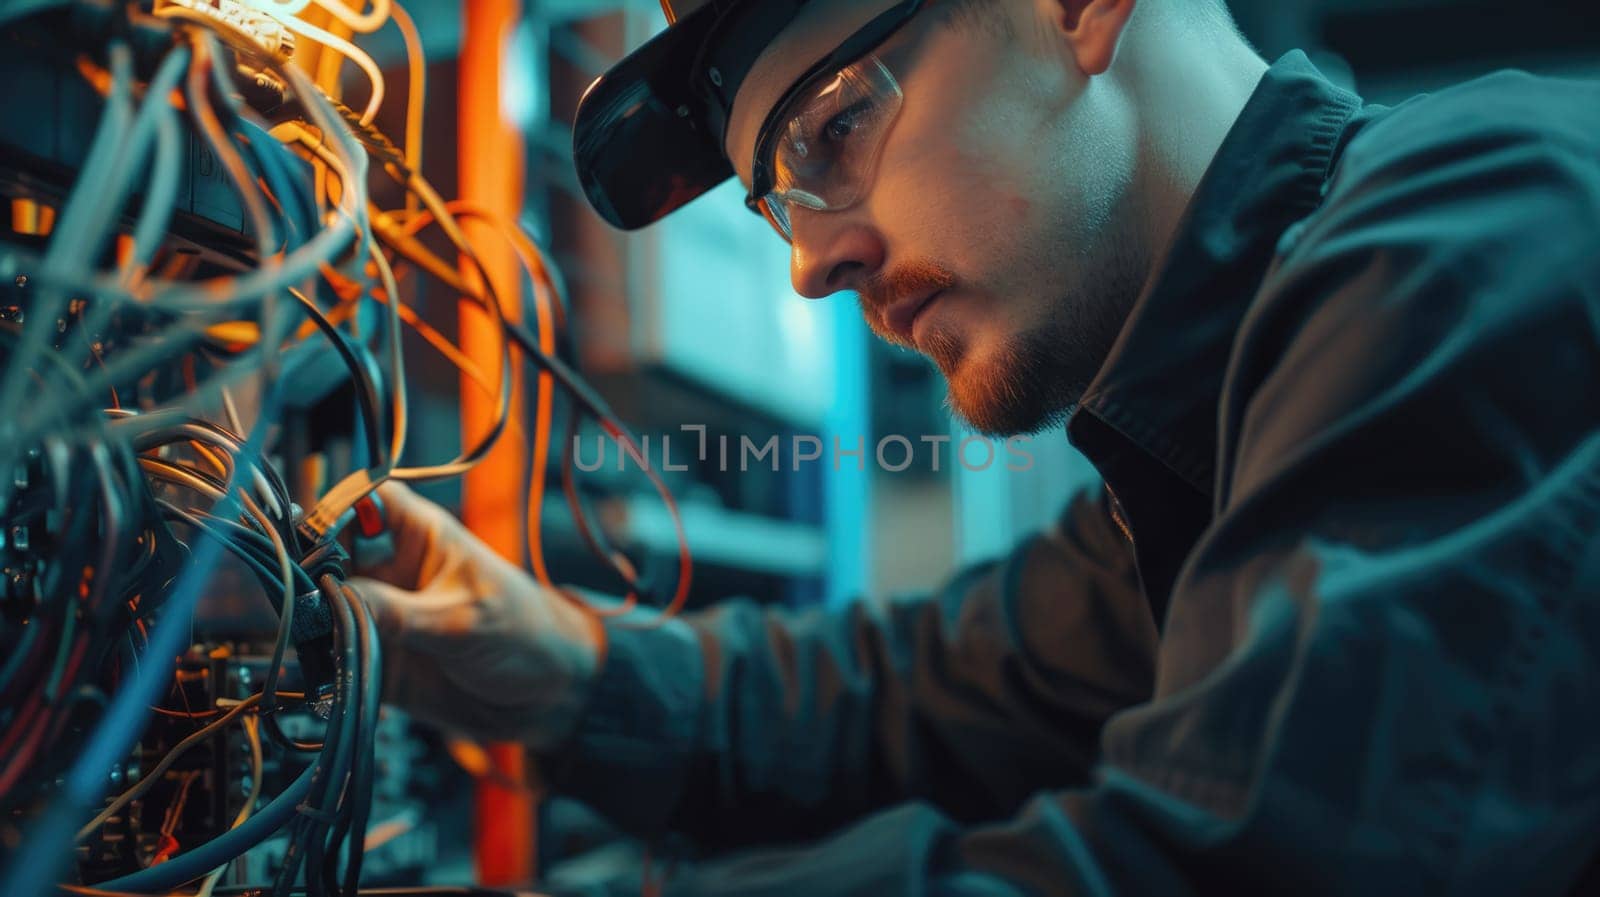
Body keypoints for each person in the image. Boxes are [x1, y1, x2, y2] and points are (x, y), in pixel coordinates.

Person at [350, 0, 1600, 893]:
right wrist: (557, 668)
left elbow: (1246, 858)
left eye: (829, 132)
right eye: (775, 196)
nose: (806, 264)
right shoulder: (1197, 440)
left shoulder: (1483, 230)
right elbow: (933, 696)